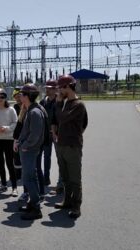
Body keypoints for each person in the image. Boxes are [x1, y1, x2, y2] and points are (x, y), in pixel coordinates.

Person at [53, 75, 88, 219]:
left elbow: (63, 118)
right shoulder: (66, 103)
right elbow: (58, 119)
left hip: (72, 146)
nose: (59, 91)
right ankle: (67, 201)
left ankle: (76, 206)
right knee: (65, 176)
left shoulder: (78, 105)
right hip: (61, 145)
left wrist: (59, 103)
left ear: (68, 87)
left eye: (61, 87)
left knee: (75, 178)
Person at [16, 84, 46, 220]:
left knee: (28, 179)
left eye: (21, 94)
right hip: (28, 149)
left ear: (27, 96)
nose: (19, 96)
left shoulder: (34, 112)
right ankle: (33, 203)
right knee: (30, 177)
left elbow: (35, 135)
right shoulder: (31, 109)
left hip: (29, 150)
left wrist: (25, 146)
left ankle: (36, 208)